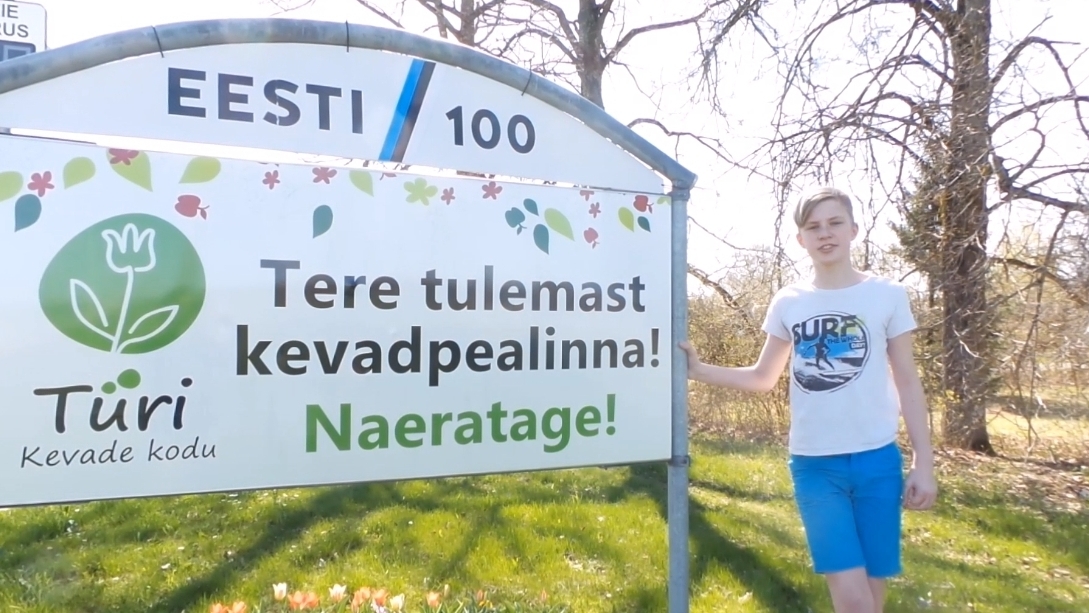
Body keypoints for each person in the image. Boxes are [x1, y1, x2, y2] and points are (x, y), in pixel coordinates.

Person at [679, 186, 938, 613]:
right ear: (801, 239)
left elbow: (908, 382)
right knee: (853, 600)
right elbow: (763, 377)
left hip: (877, 461)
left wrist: (923, 464)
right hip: (816, 466)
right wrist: (699, 370)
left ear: (853, 230)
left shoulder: (887, 295)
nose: (825, 233)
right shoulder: (789, 302)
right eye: (813, 227)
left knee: (872, 596)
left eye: (835, 222)